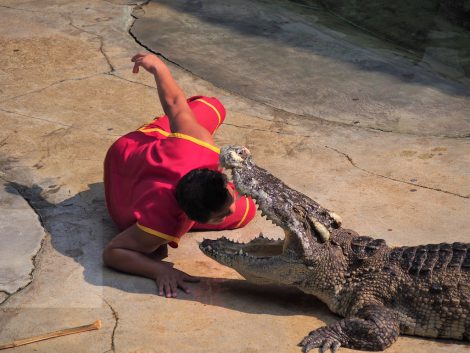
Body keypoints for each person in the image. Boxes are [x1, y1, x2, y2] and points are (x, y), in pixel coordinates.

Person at [102, 52, 256, 298]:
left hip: (128, 152)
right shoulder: (161, 224)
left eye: (226, 197)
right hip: (125, 197)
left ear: (219, 178)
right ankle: (169, 137)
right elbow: (113, 252)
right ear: (190, 219)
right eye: (220, 215)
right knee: (246, 211)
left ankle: (167, 135)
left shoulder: (197, 144)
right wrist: (158, 269)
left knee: (213, 107)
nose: (230, 206)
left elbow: (175, 102)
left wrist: (158, 68)